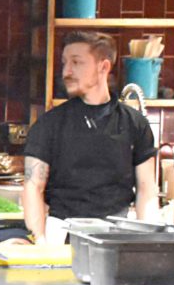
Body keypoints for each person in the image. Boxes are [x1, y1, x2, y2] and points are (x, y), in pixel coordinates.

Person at [22, 31, 157, 244]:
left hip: (117, 235)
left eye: (76, 62)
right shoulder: (49, 124)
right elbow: (33, 186)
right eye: (65, 62)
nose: (66, 71)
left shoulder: (135, 123)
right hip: (61, 235)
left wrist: (148, 243)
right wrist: (40, 240)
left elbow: (147, 190)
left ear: (103, 67)